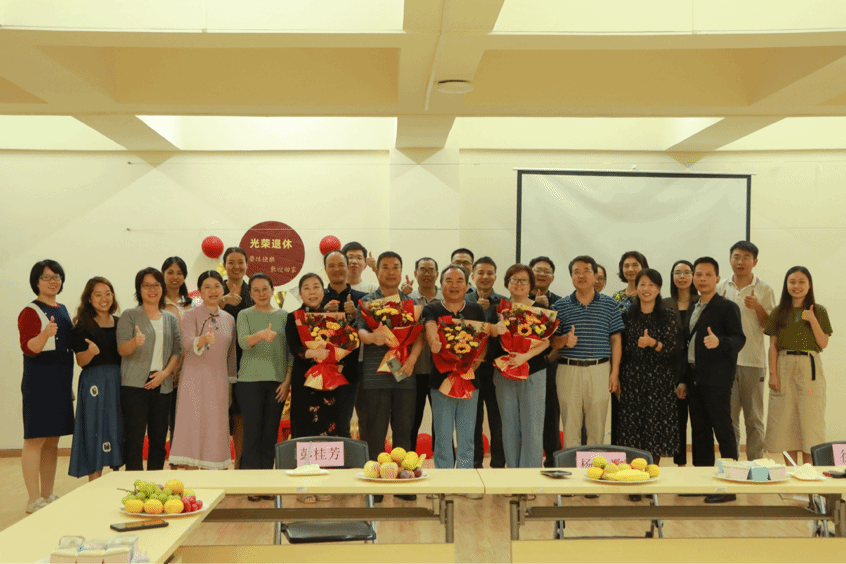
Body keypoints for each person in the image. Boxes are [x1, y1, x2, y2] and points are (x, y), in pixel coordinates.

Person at [357, 252, 423, 501]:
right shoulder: (366, 302)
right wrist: (373, 337)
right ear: (377, 271)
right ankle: (375, 486)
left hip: (404, 374)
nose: (391, 271)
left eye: (396, 267)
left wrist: (412, 361)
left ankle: (403, 483)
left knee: (404, 430)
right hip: (375, 376)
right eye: (385, 267)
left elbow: (419, 336)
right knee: (374, 431)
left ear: (401, 271)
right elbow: (360, 331)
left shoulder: (411, 303)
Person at [681, 257, 745, 504]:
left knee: (723, 431)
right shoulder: (694, 305)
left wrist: (720, 342)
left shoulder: (727, 307)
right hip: (695, 377)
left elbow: (739, 339)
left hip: (717, 379)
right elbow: (688, 345)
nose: (703, 279)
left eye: (708, 275)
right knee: (699, 432)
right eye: (698, 274)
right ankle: (703, 482)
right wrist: (683, 379)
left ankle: (729, 486)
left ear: (717, 279)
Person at [18, 260, 74, 513]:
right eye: (47, 277)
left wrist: (67, 386)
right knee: (35, 440)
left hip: (60, 382)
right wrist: (45, 334)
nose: (53, 281)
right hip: (39, 383)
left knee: (52, 441)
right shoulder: (30, 311)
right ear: (36, 282)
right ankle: (33, 500)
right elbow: (29, 348)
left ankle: (47, 494)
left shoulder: (62, 309)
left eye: (57, 276)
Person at [551, 256, 624, 449]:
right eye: (576, 272)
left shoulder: (610, 304)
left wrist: (615, 373)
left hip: (600, 369)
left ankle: (595, 464)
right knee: (570, 425)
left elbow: (616, 339)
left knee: (597, 426)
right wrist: (564, 340)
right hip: (568, 369)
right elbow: (552, 342)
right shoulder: (560, 306)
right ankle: (571, 465)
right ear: (571, 277)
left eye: (586, 271)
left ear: (595, 276)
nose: (581, 275)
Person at [168, 271, 236, 470]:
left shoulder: (229, 319)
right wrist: (203, 340)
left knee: (215, 426)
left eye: (216, 286)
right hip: (193, 379)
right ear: (199, 291)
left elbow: (231, 355)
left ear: (223, 289)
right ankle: (191, 476)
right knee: (193, 425)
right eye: (207, 287)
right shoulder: (190, 315)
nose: (212, 291)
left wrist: (231, 386)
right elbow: (186, 343)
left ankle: (211, 474)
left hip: (219, 380)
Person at [764, 266, 832, 466]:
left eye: (802, 282)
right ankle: (792, 474)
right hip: (784, 365)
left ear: (809, 285)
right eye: (792, 281)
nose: (796, 286)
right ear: (786, 285)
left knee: (811, 423)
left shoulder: (819, 311)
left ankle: (810, 474)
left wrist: (812, 320)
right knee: (785, 424)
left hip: (809, 367)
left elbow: (823, 343)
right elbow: (773, 346)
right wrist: (773, 374)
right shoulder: (778, 312)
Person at [716, 241, 776, 462]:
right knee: (729, 420)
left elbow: (770, 327)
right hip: (726, 363)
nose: (740, 262)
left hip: (753, 362)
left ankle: (756, 465)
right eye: (736, 257)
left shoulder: (765, 289)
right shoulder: (720, 287)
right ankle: (732, 465)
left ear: (755, 261)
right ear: (730, 259)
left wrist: (758, 307)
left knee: (754, 420)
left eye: (745, 258)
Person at [424, 265, 488, 470]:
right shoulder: (433, 308)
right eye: (449, 280)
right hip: (442, 380)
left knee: (467, 434)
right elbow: (430, 326)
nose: (454, 285)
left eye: (459, 280)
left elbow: (484, 339)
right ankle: (444, 479)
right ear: (441, 284)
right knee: (442, 434)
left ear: (467, 285)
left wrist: (475, 363)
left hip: (469, 379)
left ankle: (465, 476)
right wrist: (433, 341)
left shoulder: (476, 310)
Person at [117, 267, 181, 471]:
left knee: (159, 439)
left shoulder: (170, 318)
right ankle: (135, 484)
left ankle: (155, 482)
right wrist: (135, 342)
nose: (152, 290)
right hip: (134, 386)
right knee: (134, 439)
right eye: (146, 285)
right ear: (139, 289)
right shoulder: (129, 315)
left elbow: (177, 351)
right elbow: (122, 350)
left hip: (162, 384)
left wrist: (165, 374)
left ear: (162, 288)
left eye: (156, 285)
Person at [618, 269, 679, 466]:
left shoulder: (668, 315)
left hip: (659, 380)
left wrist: (653, 343)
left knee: (655, 429)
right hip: (633, 379)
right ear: (636, 288)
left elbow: (672, 349)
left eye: (651, 285)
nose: (646, 289)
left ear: (659, 289)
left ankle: (651, 470)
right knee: (633, 429)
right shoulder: (627, 316)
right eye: (642, 284)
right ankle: (634, 473)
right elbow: (622, 349)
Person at [493, 264, 551, 468]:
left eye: (524, 280)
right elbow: (489, 337)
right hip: (504, 372)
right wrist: (496, 329)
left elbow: (547, 342)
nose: (519, 284)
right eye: (514, 280)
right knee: (509, 424)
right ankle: (513, 473)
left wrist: (525, 357)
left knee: (532, 425)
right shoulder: (498, 309)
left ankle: (530, 475)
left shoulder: (540, 310)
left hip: (533, 372)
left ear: (531, 285)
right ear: (507, 283)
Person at [237, 273, 292, 486]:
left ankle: (267, 482)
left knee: (270, 434)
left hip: (277, 382)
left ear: (272, 290)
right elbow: (243, 342)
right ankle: (251, 484)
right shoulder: (244, 315)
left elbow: (290, 353)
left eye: (265, 289)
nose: (261, 294)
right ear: (250, 293)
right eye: (256, 290)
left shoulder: (284, 316)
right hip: (249, 382)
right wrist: (261, 335)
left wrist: (287, 381)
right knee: (252, 433)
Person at [69, 277, 123, 481]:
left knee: (116, 429)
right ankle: (94, 484)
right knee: (94, 429)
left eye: (108, 293)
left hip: (117, 382)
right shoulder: (82, 325)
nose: (104, 298)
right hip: (94, 384)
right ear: (89, 299)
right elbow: (80, 361)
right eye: (98, 294)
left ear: (113, 296)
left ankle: (116, 483)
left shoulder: (120, 323)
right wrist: (90, 352)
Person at [287, 273, 343, 438]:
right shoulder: (293, 317)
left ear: (323, 291)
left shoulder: (333, 317)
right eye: (306, 288)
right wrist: (312, 353)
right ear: (300, 293)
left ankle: (328, 456)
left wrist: (339, 361)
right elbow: (293, 346)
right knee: (303, 423)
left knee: (329, 421)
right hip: (304, 377)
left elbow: (343, 343)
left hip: (329, 377)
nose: (312, 292)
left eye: (316, 287)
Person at [465, 257, 506, 470]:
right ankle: (475, 464)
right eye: (480, 273)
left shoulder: (504, 303)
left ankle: (498, 464)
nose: (485, 277)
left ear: (495, 277)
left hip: (497, 369)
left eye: (490, 273)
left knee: (498, 419)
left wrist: (491, 313)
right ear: (473, 276)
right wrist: (475, 309)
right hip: (471, 368)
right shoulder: (463, 300)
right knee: (473, 419)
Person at [321, 250, 367, 438]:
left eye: (341, 264)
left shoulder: (362, 298)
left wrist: (356, 313)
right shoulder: (318, 297)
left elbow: (371, 329)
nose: (336, 269)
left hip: (352, 370)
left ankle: (344, 457)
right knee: (323, 421)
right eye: (331, 265)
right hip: (322, 368)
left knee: (344, 422)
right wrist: (323, 313)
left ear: (348, 267)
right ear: (325, 269)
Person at [663, 260, 699, 467]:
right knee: (677, 421)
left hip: (697, 369)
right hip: (671, 370)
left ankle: (699, 466)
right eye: (677, 273)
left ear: (693, 276)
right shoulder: (664, 303)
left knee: (699, 422)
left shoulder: (701, 302)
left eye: (686, 272)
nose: (682, 276)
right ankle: (680, 464)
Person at [610, 251, 648, 445]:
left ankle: (641, 456)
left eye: (635, 265)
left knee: (643, 414)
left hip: (645, 362)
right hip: (620, 361)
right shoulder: (615, 298)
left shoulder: (649, 295)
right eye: (626, 265)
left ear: (643, 267)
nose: (630, 269)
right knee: (620, 413)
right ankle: (619, 455)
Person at [220, 246, 253, 469]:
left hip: (246, 361)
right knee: (220, 416)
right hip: (219, 360)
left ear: (247, 265)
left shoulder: (254, 290)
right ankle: (219, 464)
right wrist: (220, 302)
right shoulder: (215, 288)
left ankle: (239, 465)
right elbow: (201, 312)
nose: (236, 266)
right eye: (231, 262)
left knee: (240, 416)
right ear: (224, 265)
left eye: (240, 262)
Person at [529, 256, 563, 467]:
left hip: (551, 364)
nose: (542, 274)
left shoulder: (561, 302)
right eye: (537, 270)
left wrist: (551, 357)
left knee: (551, 413)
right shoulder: (519, 299)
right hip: (523, 366)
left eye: (546, 271)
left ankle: (552, 460)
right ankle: (527, 461)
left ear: (552, 277)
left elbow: (563, 334)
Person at [407, 257, 442, 453]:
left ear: (437, 273)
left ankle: (443, 463)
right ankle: (408, 462)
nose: (427, 274)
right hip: (414, 370)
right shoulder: (407, 299)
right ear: (415, 273)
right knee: (411, 421)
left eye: (431, 270)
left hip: (441, 370)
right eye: (422, 269)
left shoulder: (446, 299)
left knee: (441, 422)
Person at [161, 256, 194, 447]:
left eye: (179, 273)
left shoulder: (190, 304)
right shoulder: (157, 303)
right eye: (170, 272)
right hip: (164, 369)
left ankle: (178, 457)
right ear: (163, 274)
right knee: (163, 419)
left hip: (187, 369)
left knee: (182, 420)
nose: (175, 277)